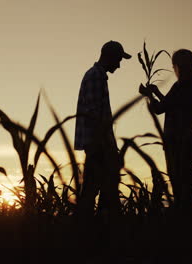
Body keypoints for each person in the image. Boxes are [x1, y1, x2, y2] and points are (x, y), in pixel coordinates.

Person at [139, 49, 192, 214]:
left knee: (180, 186)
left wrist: (149, 96)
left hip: (175, 144)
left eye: (174, 65)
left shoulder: (180, 87)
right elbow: (171, 104)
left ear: (180, 67)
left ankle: (185, 224)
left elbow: (161, 108)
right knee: (187, 185)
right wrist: (156, 93)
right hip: (188, 142)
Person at [74, 40, 131, 223]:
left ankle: (95, 226)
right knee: (94, 188)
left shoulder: (97, 76)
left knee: (102, 187)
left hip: (98, 143)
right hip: (97, 144)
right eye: (118, 60)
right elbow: (94, 114)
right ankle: (86, 228)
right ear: (110, 56)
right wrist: (106, 145)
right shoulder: (95, 76)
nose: (119, 65)